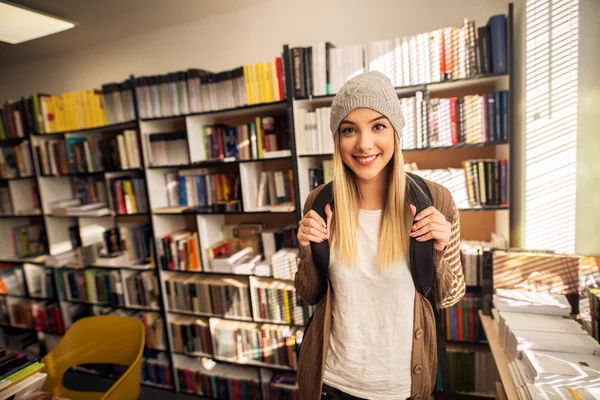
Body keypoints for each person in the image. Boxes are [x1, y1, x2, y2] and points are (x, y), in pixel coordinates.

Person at [295, 71, 466, 400]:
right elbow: (309, 293)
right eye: (349, 130)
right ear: (337, 140)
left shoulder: (437, 200)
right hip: (331, 382)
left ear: (395, 133)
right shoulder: (318, 201)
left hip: (402, 386)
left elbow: (449, 296)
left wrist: (441, 251)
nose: (364, 144)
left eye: (378, 126)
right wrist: (307, 250)